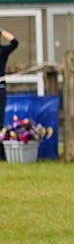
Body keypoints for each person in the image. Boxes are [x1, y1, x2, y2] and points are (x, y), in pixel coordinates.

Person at [0, 28, 19, 161]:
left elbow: (15, 42)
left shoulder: (2, 51)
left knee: (0, 123)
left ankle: (1, 155)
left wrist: (1, 32)